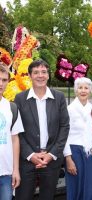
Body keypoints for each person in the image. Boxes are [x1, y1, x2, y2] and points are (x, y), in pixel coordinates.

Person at [14, 59, 69, 200]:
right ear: (30, 76)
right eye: (36, 72)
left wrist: (52, 154)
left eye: (44, 72)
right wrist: (30, 155)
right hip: (27, 160)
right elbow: (16, 131)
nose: (40, 75)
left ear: (48, 75)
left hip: (51, 159)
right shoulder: (20, 98)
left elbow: (64, 127)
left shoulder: (59, 97)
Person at [63, 77, 92, 200]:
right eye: (80, 88)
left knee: (91, 187)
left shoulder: (89, 107)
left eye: (86, 88)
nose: (83, 90)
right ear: (76, 90)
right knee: (76, 187)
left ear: (90, 91)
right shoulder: (70, 109)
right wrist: (68, 159)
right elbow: (64, 135)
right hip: (74, 152)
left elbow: (90, 128)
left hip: (88, 152)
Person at [0, 64, 24, 200]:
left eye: (4, 80)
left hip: (6, 173)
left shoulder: (12, 108)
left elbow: (15, 140)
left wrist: (16, 170)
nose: (1, 83)